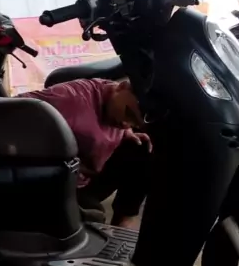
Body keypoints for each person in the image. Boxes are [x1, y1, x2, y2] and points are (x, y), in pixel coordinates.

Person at [22, 78, 151, 228]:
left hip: (90, 172)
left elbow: (128, 121)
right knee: (94, 217)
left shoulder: (118, 107)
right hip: (60, 183)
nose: (125, 124)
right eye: (128, 114)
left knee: (142, 147)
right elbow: (11, 108)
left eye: (135, 123)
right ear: (121, 87)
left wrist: (128, 133)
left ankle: (123, 222)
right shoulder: (70, 99)